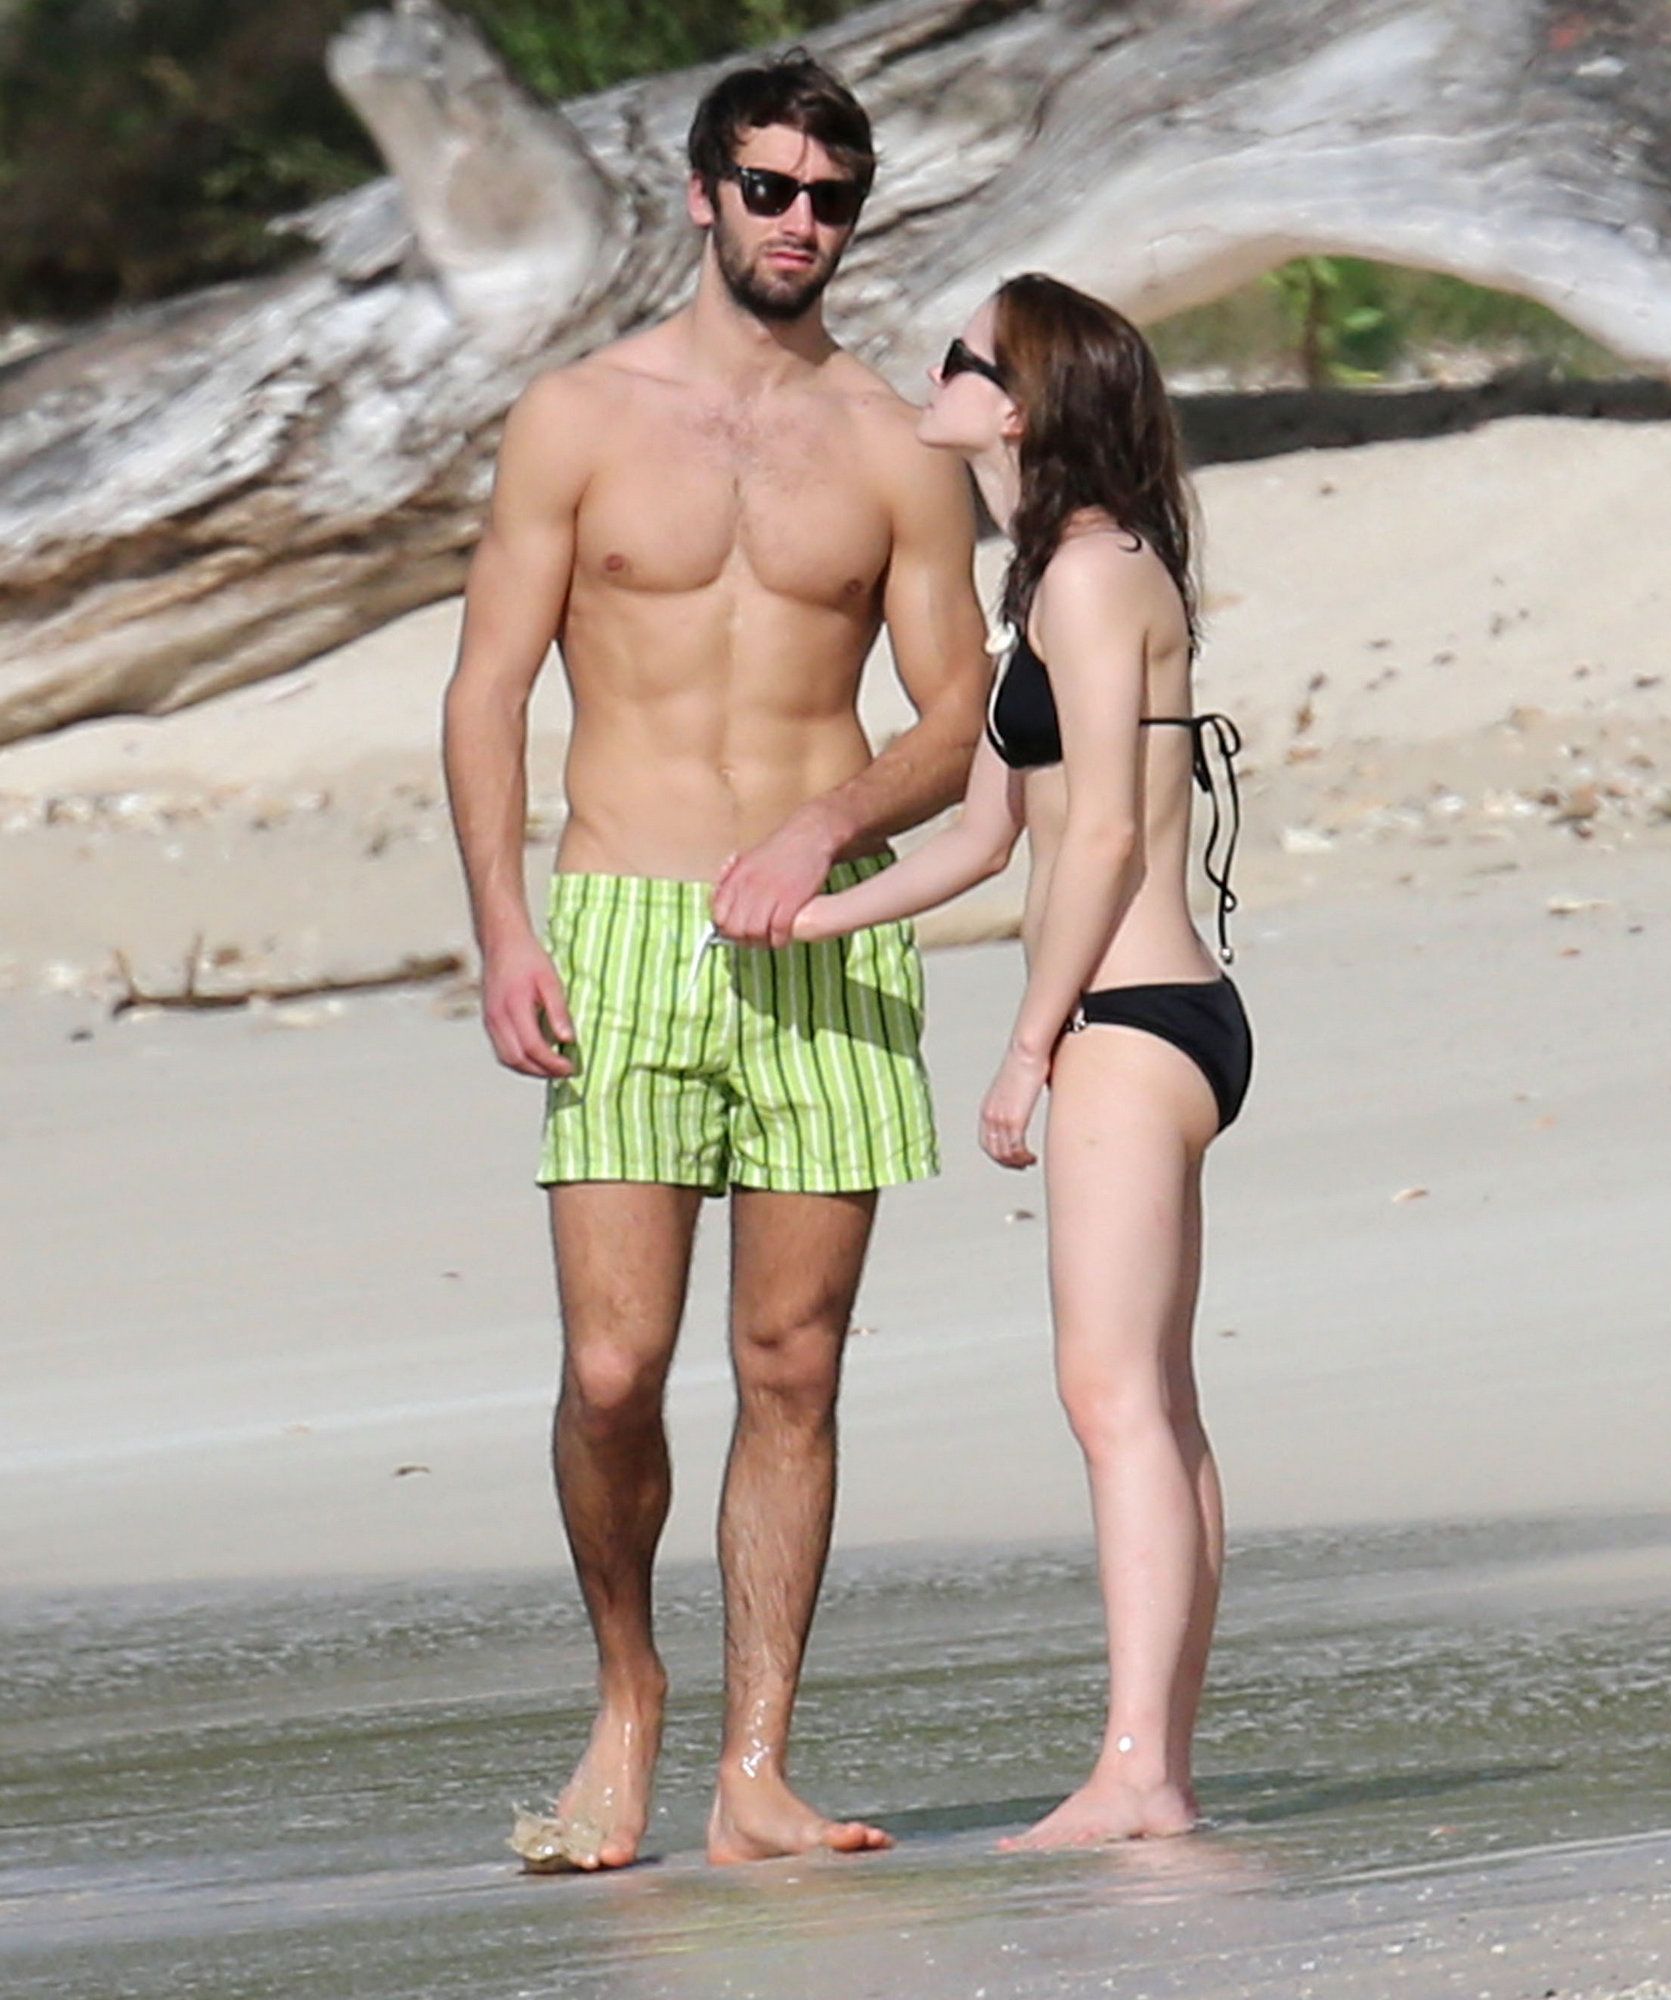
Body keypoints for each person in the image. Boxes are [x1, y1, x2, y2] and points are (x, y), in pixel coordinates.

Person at [443, 49, 990, 1869]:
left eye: (829, 197)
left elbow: (959, 716)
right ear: (703, 196)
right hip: (618, 919)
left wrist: (823, 827)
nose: (799, 222)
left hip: (824, 932)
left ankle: (756, 1769)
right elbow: (486, 689)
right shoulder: (577, 417)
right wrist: (502, 928)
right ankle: (628, 1699)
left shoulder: (897, 445)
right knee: (613, 1369)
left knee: (790, 1366)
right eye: (768, 189)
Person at [796, 273, 1251, 1849]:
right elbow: (986, 838)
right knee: (1153, 1401)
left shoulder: (1095, 573)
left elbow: (1107, 836)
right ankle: (1158, 1767)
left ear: (1017, 404)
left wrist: (1023, 1046)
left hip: (1133, 1019)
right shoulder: (1046, 582)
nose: (933, 372)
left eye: (960, 357)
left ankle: (1138, 1771)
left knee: (1110, 1394)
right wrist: (808, 912)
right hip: (1138, 1017)